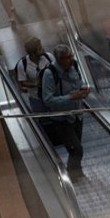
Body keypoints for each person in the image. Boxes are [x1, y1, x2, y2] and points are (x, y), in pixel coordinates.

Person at [40, 44, 89, 177]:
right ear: (59, 59)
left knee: (75, 148)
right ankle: (73, 176)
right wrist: (72, 97)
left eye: (71, 56)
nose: (71, 60)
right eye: (67, 58)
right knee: (76, 150)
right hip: (62, 118)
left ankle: (76, 173)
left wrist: (84, 89)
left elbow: (79, 83)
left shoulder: (75, 65)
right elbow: (48, 100)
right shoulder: (50, 74)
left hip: (78, 115)